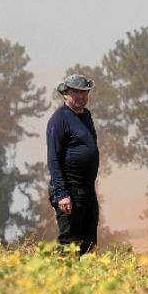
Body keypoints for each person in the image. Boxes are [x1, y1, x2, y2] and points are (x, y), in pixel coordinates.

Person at [46, 74, 99, 255]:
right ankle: (63, 279)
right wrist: (62, 194)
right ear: (66, 94)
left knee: (89, 243)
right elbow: (53, 159)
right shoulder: (59, 120)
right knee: (69, 244)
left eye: (84, 92)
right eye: (76, 92)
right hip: (70, 191)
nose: (81, 97)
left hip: (87, 190)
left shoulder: (86, 116)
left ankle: (85, 280)